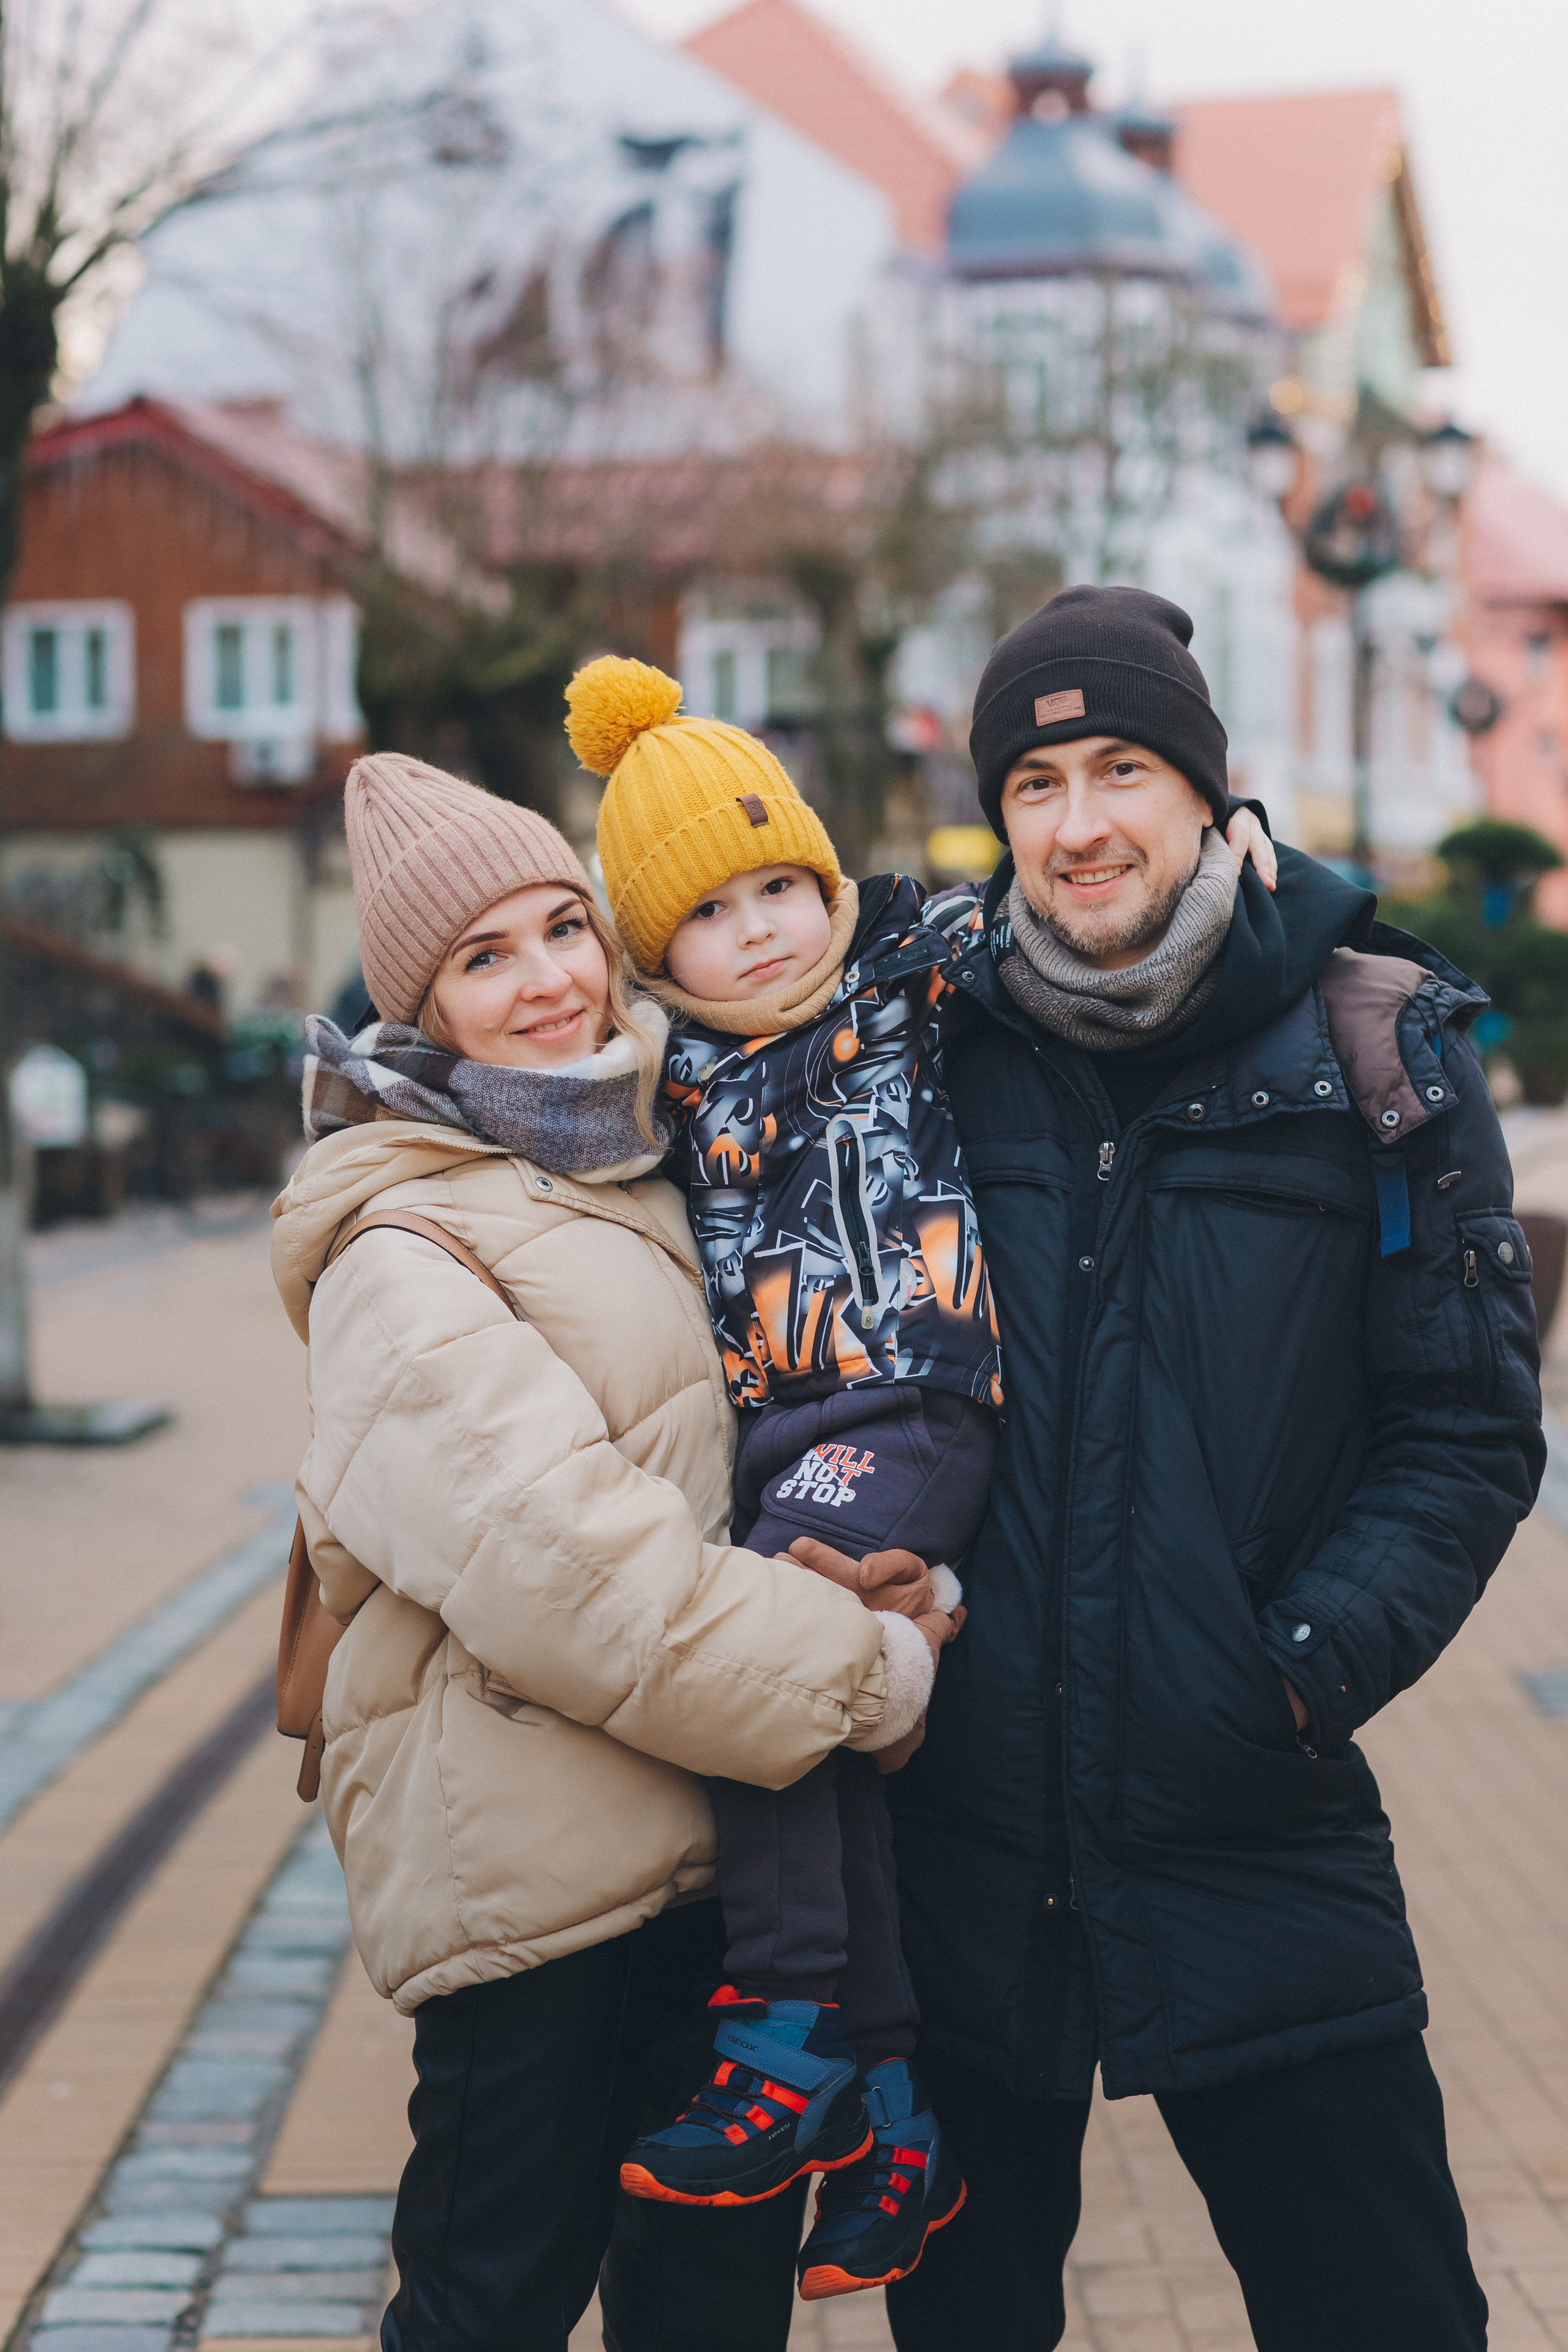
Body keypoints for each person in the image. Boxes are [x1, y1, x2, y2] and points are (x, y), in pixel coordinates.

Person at [880, 583, 1545, 2352]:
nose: (1080, 822)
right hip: (960, 1836)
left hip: (1251, 1810)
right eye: (1035, 782)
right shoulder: (928, 1047)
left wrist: (1300, 1674)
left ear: (1204, 791)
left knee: (1384, 2314)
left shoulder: (1377, 1051)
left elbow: (1468, 1430)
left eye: (1120, 769)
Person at [562, 654, 1271, 2302]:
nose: (764, 932)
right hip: (778, 1437)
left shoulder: (899, 976)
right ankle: (890, 2105)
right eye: (711, 915)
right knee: (825, 1741)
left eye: (780, 887)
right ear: (655, 952)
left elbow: (1084, 922)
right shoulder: (670, 1082)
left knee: (760, 1665)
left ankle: (792, 2014)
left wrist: (1264, 863)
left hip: (920, 1398)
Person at [270, 750, 959, 2352]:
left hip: (720, 1856)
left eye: (563, 929)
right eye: (483, 958)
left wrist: (898, 1559)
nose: (546, 984)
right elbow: (579, 1581)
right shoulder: (402, 1241)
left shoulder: (650, 1158)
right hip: (533, 1897)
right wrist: (876, 1671)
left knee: (707, 2320)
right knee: (488, 2309)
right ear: (420, 1008)